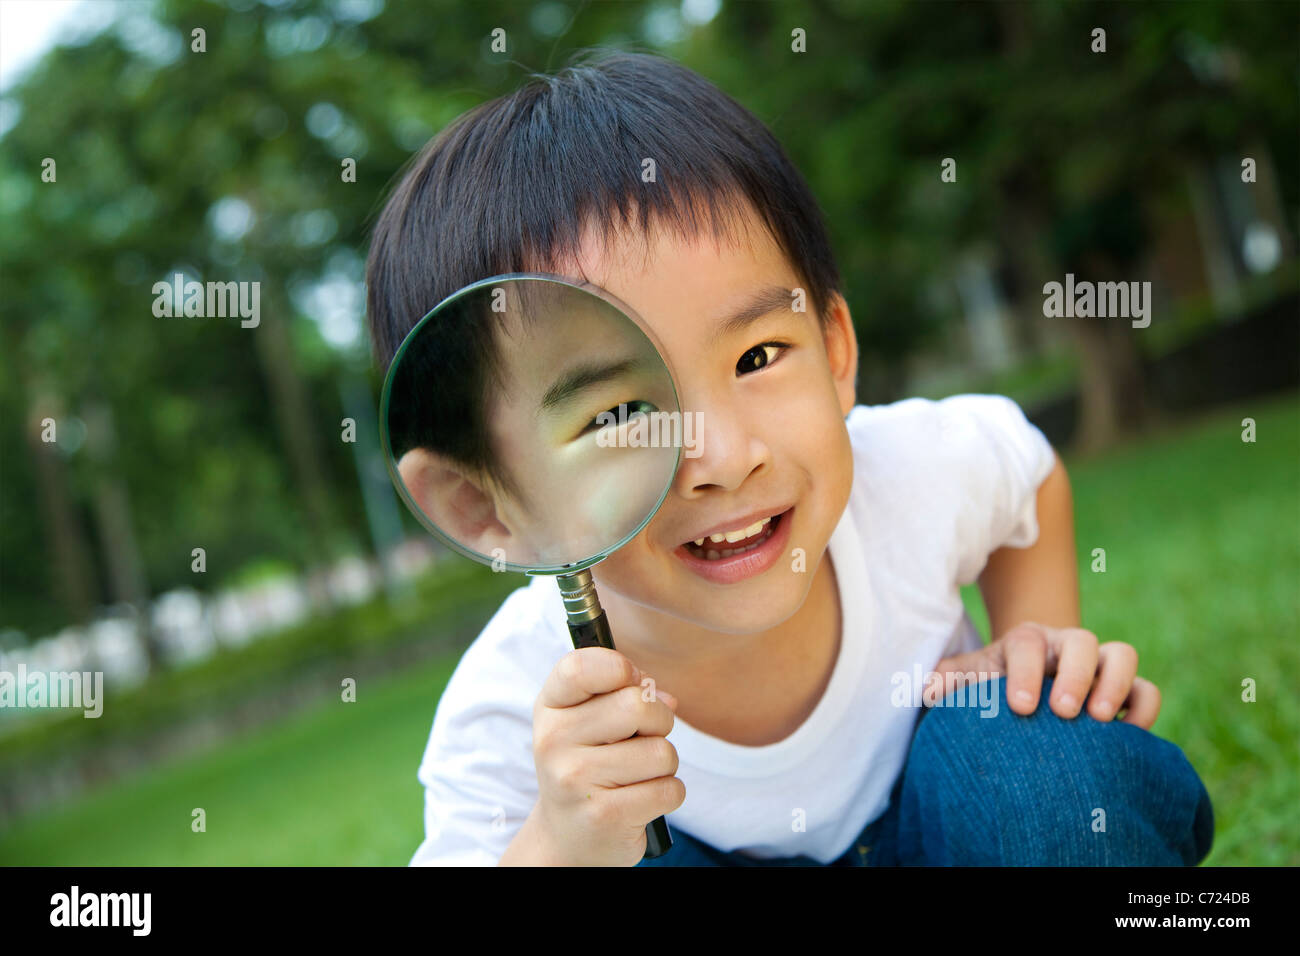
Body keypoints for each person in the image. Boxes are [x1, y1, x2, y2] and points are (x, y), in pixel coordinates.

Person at [364, 50, 1214, 866]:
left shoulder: (914, 475)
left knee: (1033, 754)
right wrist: (560, 844)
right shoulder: (508, 710)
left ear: (837, 351)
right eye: (620, 413)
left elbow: (1025, 472)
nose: (725, 459)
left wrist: (1038, 634)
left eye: (758, 358)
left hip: (948, 830)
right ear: (484, 507)